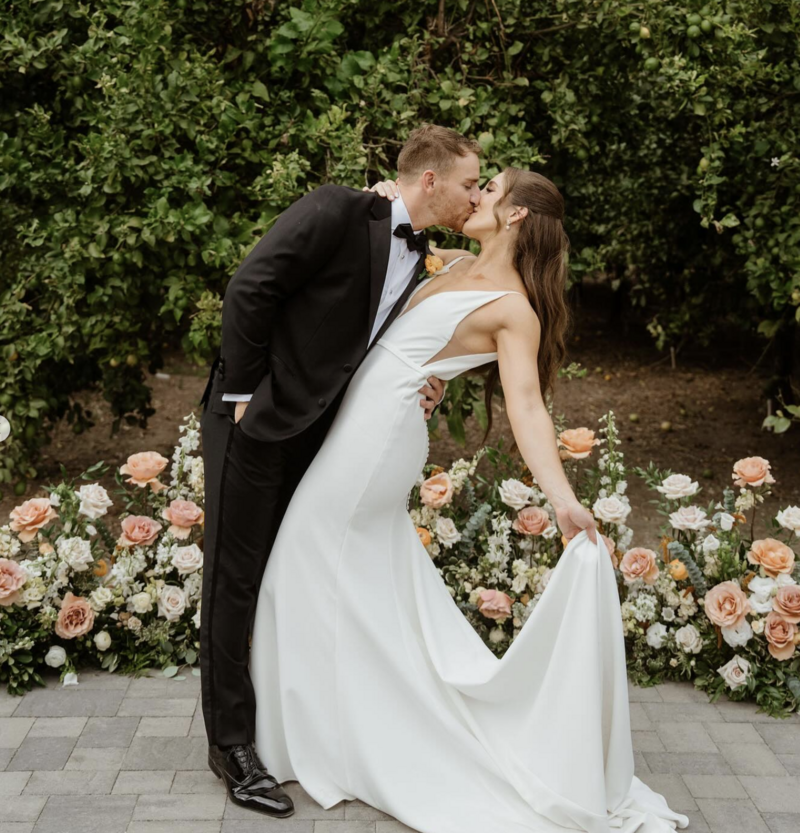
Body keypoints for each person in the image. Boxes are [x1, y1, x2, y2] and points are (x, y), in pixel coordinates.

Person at [247, 167, 691, 832]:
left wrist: (563, 498)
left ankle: (318, 732)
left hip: (375, 445)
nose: (477, 194)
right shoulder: (452, 260)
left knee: (302, 557)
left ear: (514, 216)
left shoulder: (514, 308)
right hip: (364, 422)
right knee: (350, 577)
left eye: (491, 188)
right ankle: (339, 720)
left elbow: (528, 408)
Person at [198, 124, 485, 816]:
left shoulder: (426, 260)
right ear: (429, 181)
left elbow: (375, 340)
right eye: (470, 183)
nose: (475, 194)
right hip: (256, 421)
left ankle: (287, 721)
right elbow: (249, 288)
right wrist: (241, 396)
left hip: (325, 435)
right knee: (233, 576)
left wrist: (425, 379)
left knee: (286, 569)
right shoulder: (334, 209)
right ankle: (230, 743)